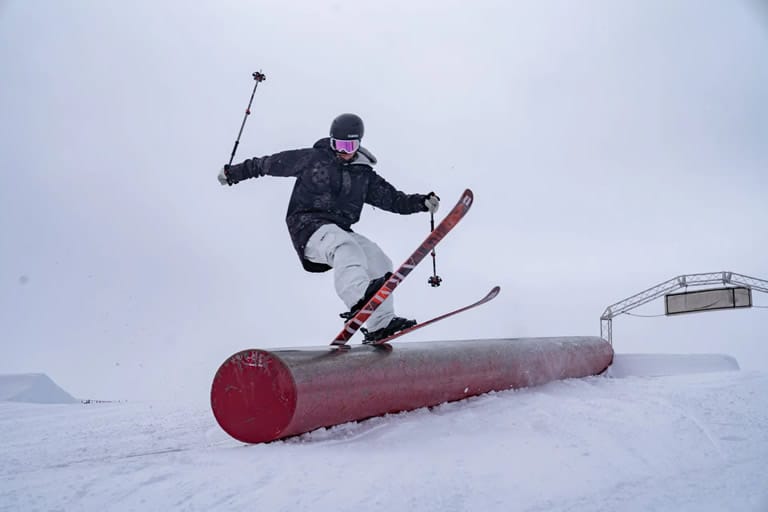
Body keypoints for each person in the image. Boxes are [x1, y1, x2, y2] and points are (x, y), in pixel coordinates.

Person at [218, 113, 440, 342]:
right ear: (331, 141)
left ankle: (380, 323)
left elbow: (393, 199)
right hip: (307, 225)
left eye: (349, 146)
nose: (343, 151)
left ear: (358, 145)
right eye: (338, 145)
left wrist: (420, 202)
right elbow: (267, 164)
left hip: (339, 228)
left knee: (378, 259)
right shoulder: (313, 159)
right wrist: (233, 173)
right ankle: (358, 296)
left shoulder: (364, 175)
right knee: (346, 247)